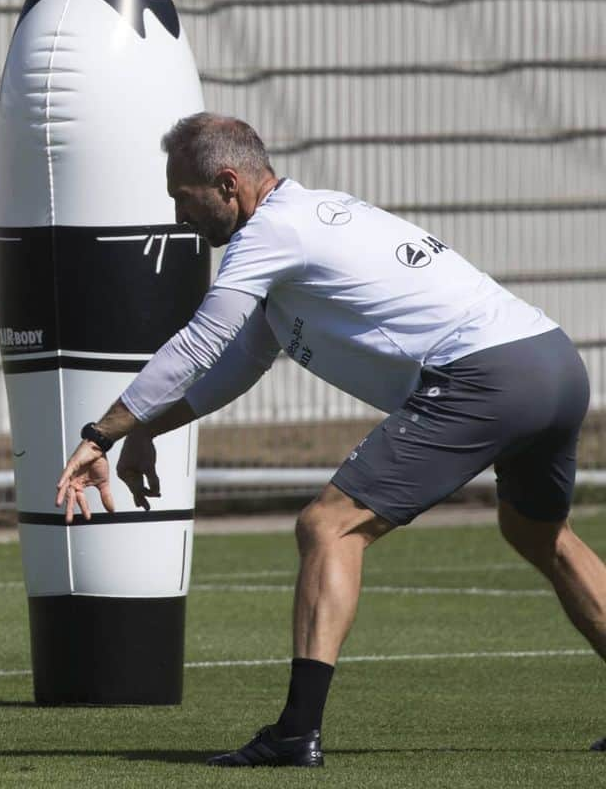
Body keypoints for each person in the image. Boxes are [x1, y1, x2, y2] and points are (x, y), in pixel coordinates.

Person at [55, 113, 604, 767]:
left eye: (184, 197)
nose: (180, 216)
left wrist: (99, 433)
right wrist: (143, 429)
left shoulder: (269, 233)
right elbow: (239, 361)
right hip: (552, 362)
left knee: (329, 527)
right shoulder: (306, 220)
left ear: (228, 185)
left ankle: (295, 733)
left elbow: (200, 342)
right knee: (540, 536)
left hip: (484, 377)